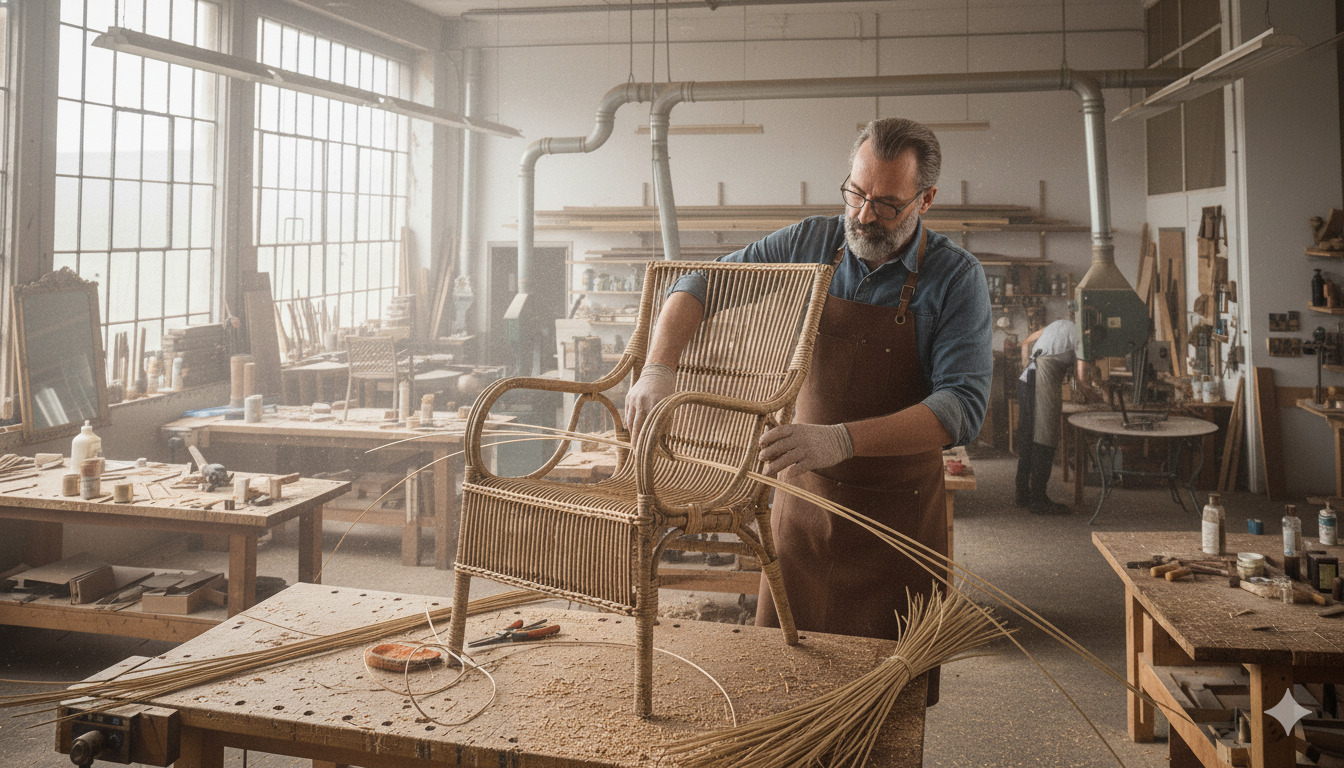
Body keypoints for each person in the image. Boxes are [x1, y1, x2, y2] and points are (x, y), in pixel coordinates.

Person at [624, 117, 992, 705]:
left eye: (888, 205)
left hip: (896, 524)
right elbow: (701, 284)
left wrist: (841, 440)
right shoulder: (812, 243)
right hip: (804, 509)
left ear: (927, 199)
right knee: (784, 688)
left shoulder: (955, 278)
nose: (865, 217)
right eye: (856, 194)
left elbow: (961, 407)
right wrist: (658, 366)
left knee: (884, 709)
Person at [1014, 317, 1097, 515]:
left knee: (1028, 435)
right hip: (1043, 377)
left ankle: (1022, 494)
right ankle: (1038, 500)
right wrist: (1096, 396)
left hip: (1027, 377)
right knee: (1045, 436)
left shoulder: (1057, 325)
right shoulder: (1081, 338)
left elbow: (1026, 342)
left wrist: (1026, 361)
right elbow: (1082, 381)